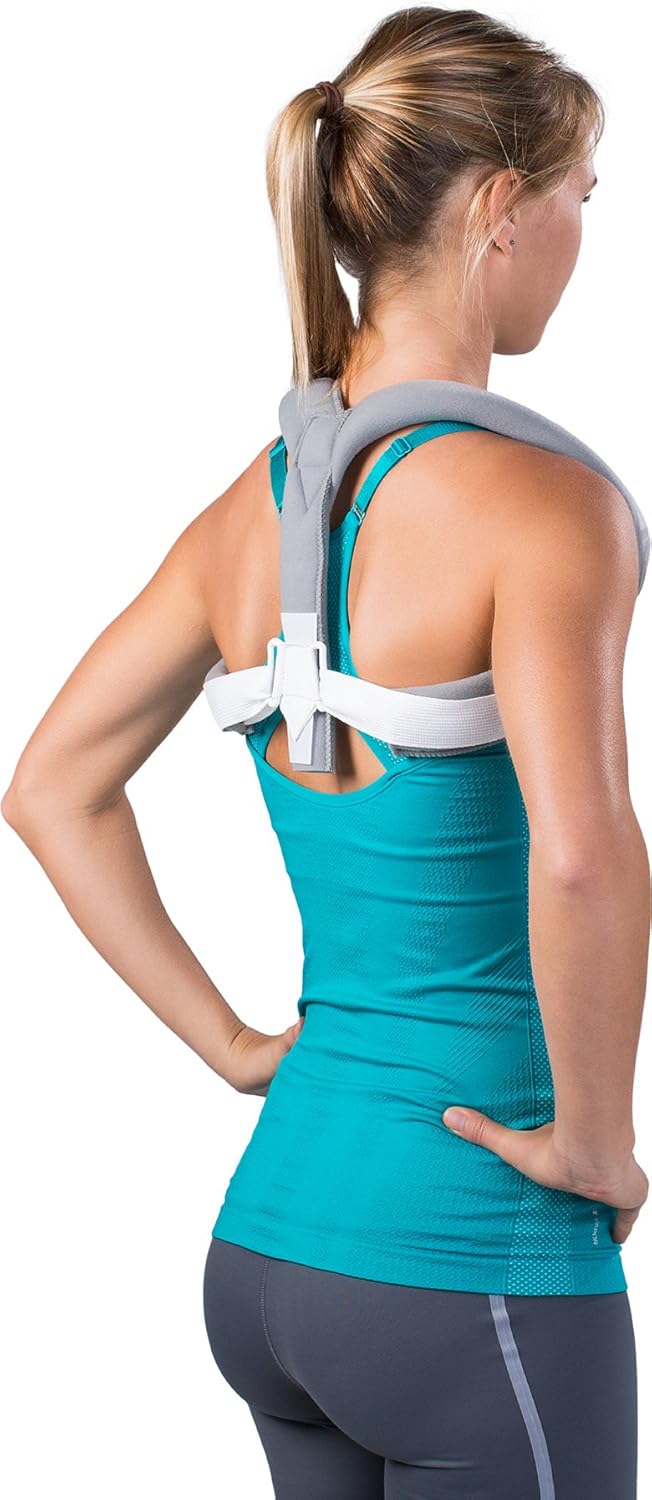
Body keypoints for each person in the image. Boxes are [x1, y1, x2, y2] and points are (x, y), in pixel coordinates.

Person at [3, 6, 650, 1497]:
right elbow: (581, 854)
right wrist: (597, 1145)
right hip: (469, 1262)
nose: (583, 234)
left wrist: (240, 1048)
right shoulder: (544, 508)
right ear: (499, 206)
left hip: (270, 1250)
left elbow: (50, 785)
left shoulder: (248, 511)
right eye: (582, 195)